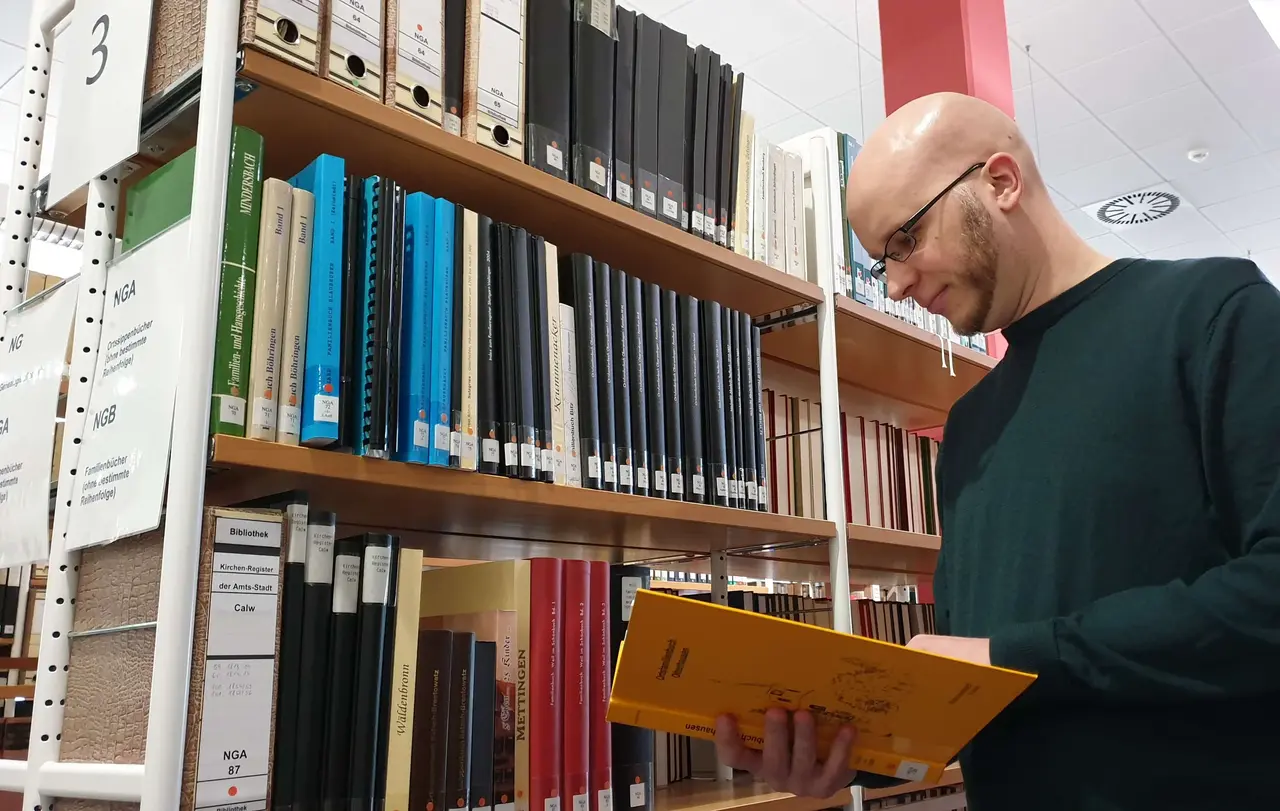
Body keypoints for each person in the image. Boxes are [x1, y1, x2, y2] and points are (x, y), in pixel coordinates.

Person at [713, 92, 1280, 811]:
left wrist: (1015, 660)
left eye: (906, 240)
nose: (896, 283)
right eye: (880, 259)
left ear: (1002, 181)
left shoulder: (1215, 313)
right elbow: (972, 693)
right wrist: (848, 754)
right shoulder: (970, 426)